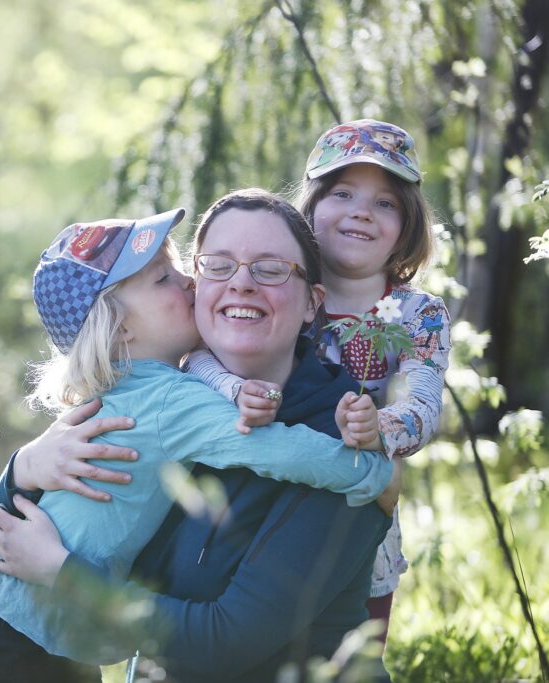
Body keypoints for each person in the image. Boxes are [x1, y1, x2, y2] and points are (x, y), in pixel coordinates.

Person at [0, 190, 401, 682]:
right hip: (30, 638)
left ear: (312, 303)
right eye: (216, 266)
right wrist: (22, 468)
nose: (235, 284)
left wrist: (375, 470)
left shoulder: (339, 430)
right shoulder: (165, 398)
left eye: (270, 268)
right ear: (119, 328)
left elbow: (224, 643)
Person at [186, 120, 451, 639]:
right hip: (256, 484)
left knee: (347, 647)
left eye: (385, 203)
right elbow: (197, 356)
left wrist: (382, 427)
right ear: (310, 207)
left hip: (355, 505)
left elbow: (424, 399)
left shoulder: (418, 314)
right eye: (342, 193)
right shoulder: (279, 284)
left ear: (408, 223)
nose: (360, 211)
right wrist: (234, 390)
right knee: (243, 627)